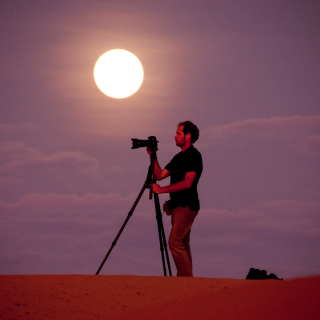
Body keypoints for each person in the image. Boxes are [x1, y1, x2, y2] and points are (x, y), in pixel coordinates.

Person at [147, 121, 203, 277]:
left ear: (188, 136)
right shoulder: (179, 157)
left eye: (178, 134)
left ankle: (185, 281)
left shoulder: (194, 156)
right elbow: (159, 175)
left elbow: (187, 183)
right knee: (183, 243)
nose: (175, 136)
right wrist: (153, 157)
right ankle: (187, 279)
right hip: (178, 205)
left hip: (187, 205)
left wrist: (162, 190)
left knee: (174, 242)